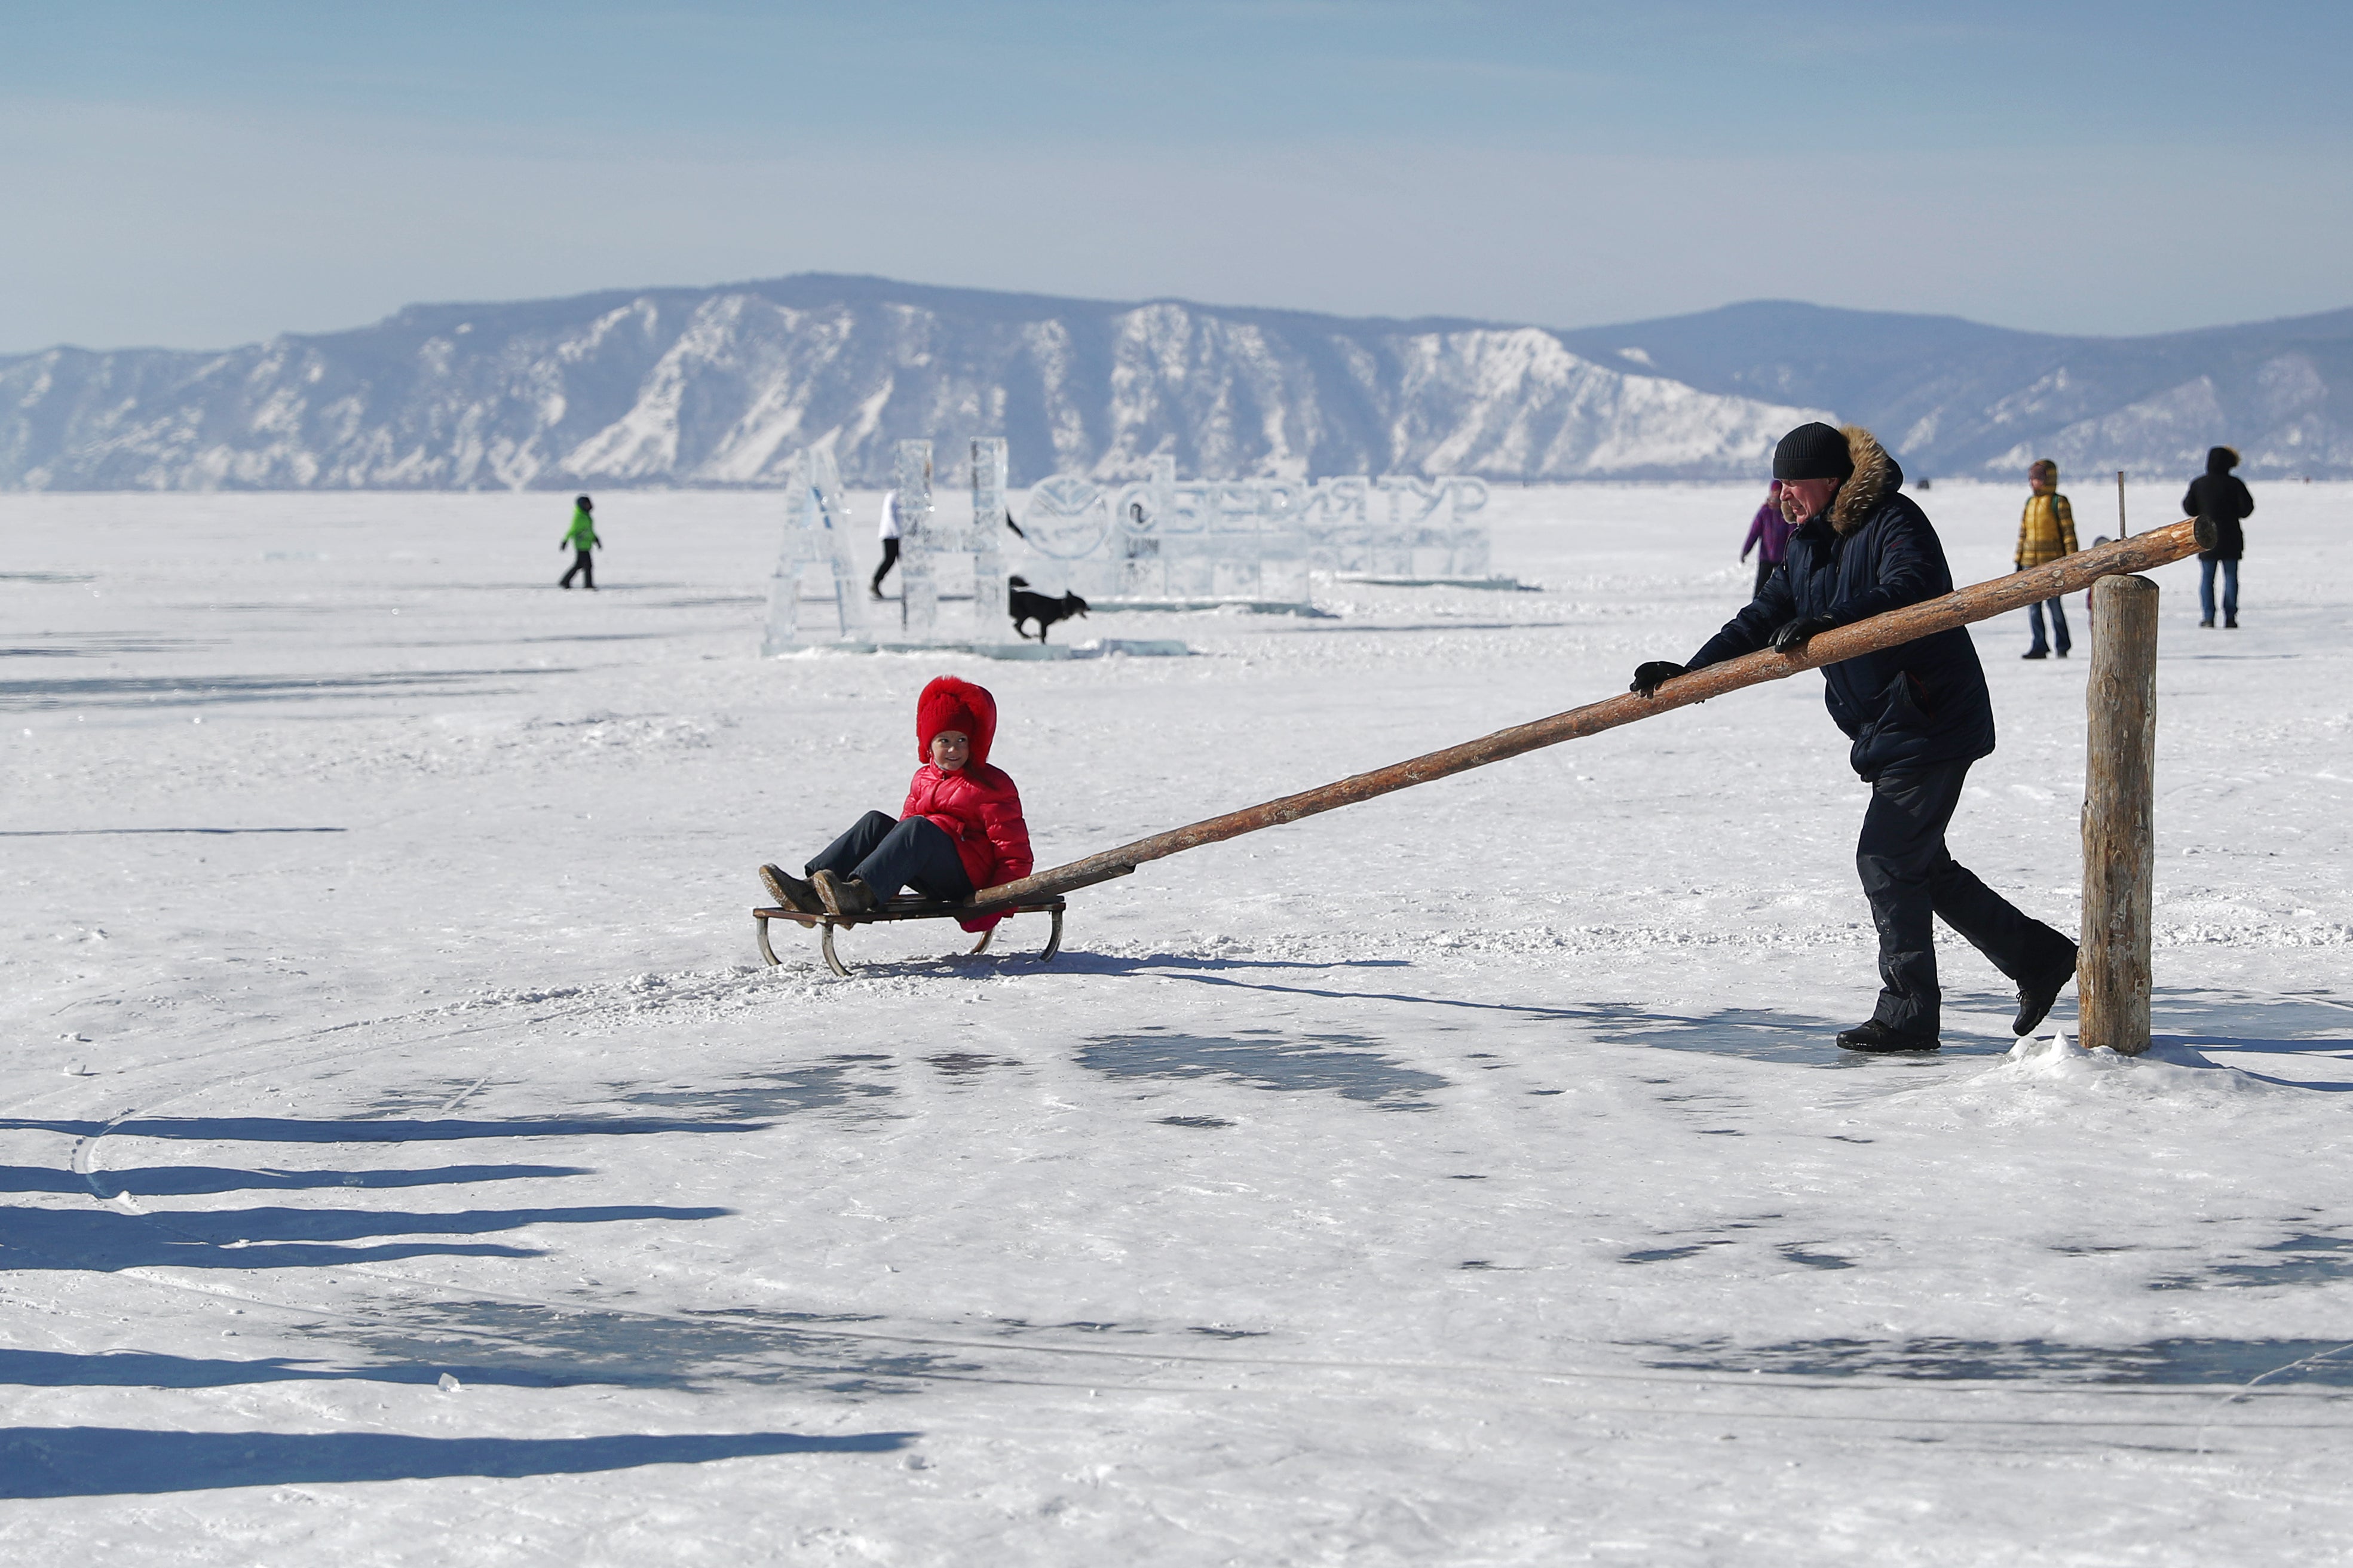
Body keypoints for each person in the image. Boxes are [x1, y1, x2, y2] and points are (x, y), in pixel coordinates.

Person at [1628, 422, 2078, 1054]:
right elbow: (1762, 615)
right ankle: (2037, 956)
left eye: (1793, 482)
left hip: (1931, 716)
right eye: (1777, 483)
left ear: (1832, 480)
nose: (1783, 495)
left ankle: (1907, 1014)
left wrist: (1830, 619)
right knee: (1918, 865)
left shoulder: (1895, 520)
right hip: (1885, 726)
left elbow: (1912, 587)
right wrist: (1688, 671)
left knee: (1885, 858)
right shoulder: (1806, 545)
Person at [759, 676, 1033, 934]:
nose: (954, 750)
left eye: (962, 740)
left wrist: (994, 904)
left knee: (919, 828)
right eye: (944, 741)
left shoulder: (992, 785)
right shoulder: (923, 778)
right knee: (876, 822)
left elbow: (1015, 856)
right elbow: (899, 837)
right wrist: (887, 876)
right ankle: (809, 891)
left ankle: (859, 894)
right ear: (929, 745)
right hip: (930, 873)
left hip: (969, 882)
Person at [2183, 446, 2254, 628]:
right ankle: (2230, 617)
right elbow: (2247, 509)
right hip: (2231, 537)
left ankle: (2208, 617)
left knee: (2207, 578)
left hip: (2206, 537)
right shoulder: (2235, 484)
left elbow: (2189, 508)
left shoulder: (2199, 484)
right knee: (2231, 578)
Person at [2014, 459, 2078, 658]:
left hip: (2053, 564)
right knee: (2033, 608)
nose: (2034, 483)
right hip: (2030, 563)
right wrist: (2019, 559)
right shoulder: (2030, 503)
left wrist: (2072, 560)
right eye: (2032, 478)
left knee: (2055, 606)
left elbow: (2068, 532)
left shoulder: (2058, 502)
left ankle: (2062, 644)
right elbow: (2023, 533)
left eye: (2039, 478)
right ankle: (2039, 645)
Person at [1739, 480, 1794, 597]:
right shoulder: (1764, 512)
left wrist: (1792, 554)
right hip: (1766, 557)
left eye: (1778, 495)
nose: (1775, 498)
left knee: (1783, 588)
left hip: (1782, 558)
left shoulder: (1787, 512)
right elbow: (1754, 533)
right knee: (1760, 588)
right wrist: (1746, 550)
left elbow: (1792, 535)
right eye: (1774, 494)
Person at [559, 495, 599, 589]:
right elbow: (572, 530)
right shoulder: (579, 517)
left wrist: (596, 539)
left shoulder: (586, 516)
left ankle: (565, 581)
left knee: (579, 565)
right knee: (587, 565)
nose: (588, 506)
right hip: (581, 545)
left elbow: (589, 531)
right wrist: (565, 541)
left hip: (586, 544)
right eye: (586, 504)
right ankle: (587, 585)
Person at [869, 488, 902, 600]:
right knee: (890, 559)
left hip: (902, 535)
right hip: (890, 534)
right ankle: (876, 582)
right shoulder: (894, 495)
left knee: (906, 561)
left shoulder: (908, 495)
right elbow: (891, 515)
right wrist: (899, 533)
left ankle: (911, 586)